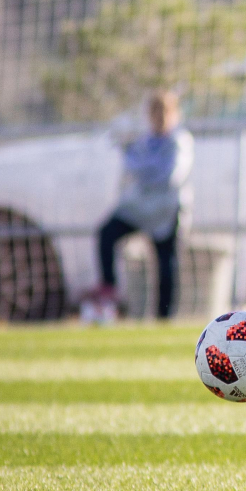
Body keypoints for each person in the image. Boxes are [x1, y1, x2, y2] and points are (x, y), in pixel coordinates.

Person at [85, 90, 194, 322]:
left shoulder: (180, 141)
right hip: (139, 207)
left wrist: (144, 170)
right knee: (106, 233)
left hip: (166, 209)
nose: (159, 117)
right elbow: (129, 167)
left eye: (165, 112)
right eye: (155, 112)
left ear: (174, 114)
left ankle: (164, 318)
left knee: (166, 263)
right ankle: (109, 289)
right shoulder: (142, 141)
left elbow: (170, 176)